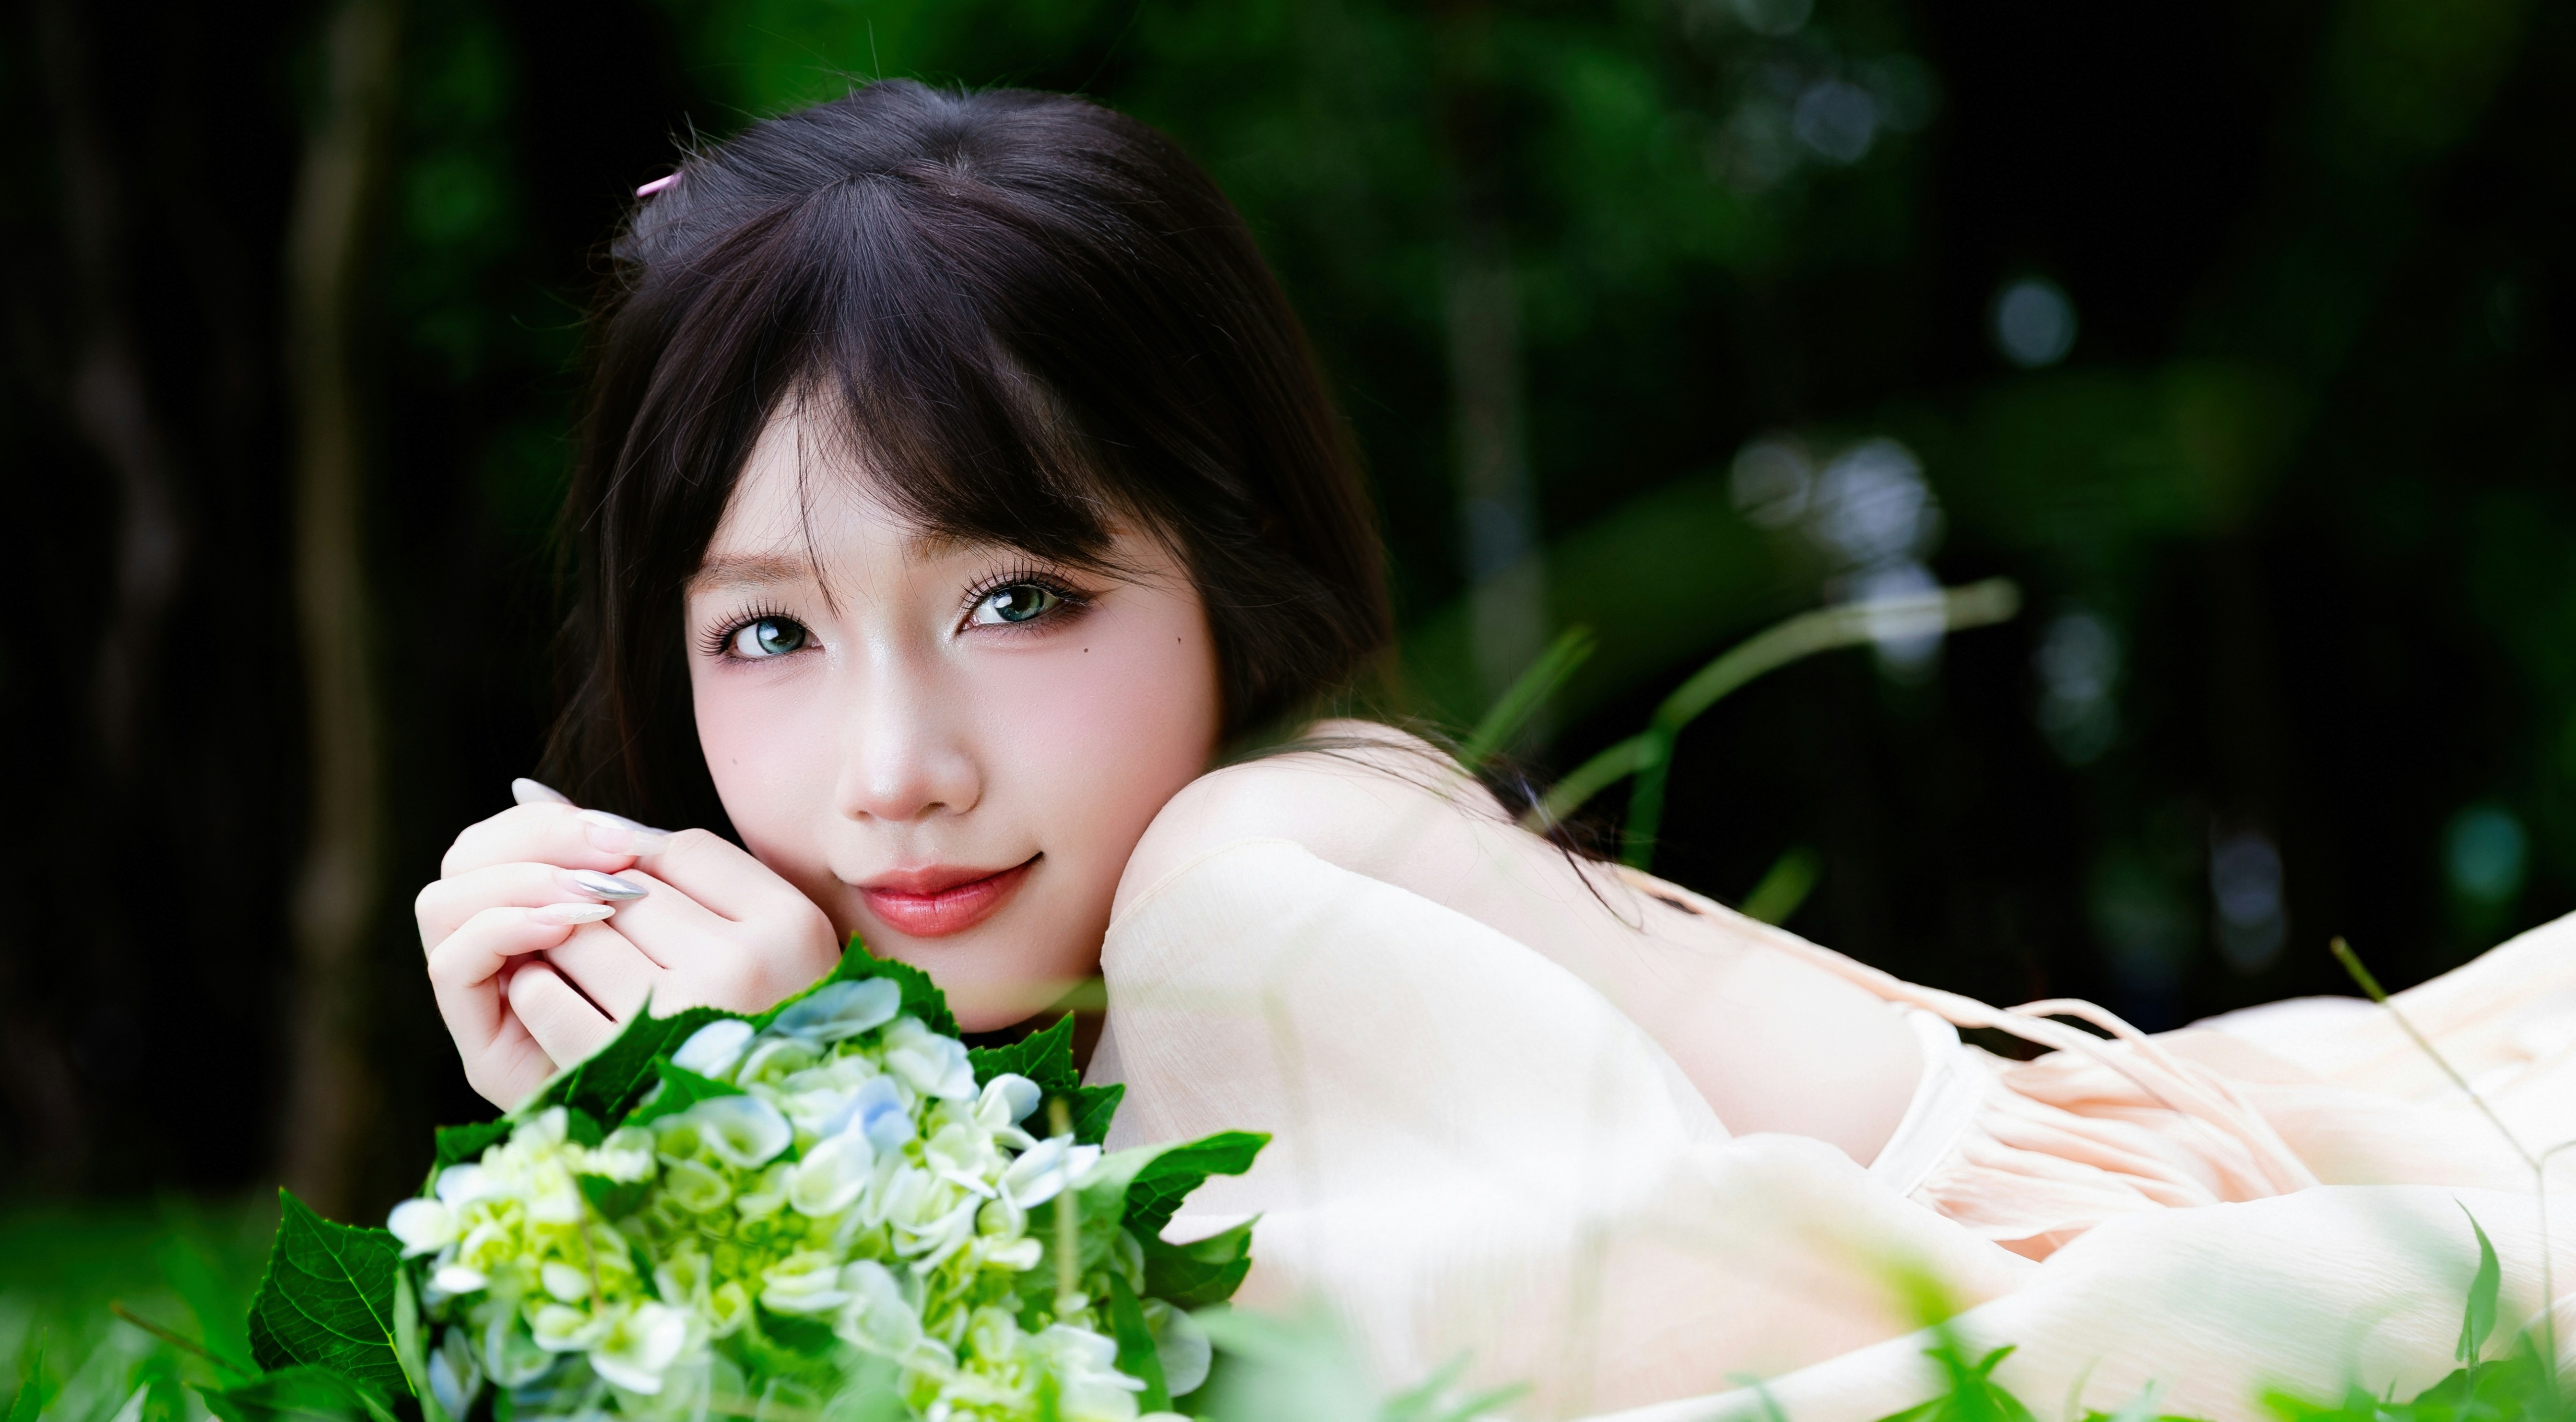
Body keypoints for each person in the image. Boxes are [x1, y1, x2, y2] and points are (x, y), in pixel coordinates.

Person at [414, 81, 2576, 1421]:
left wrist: (801, 1117)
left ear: (1227, 560)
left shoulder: (1241, 885)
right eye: (769, 631)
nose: (894, 767)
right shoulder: (1083, 968)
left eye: (1019, 599)